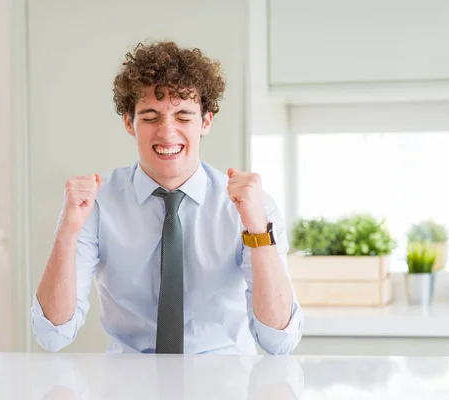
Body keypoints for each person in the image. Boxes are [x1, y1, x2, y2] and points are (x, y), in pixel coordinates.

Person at [31, 41, 303, 355]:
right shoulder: (95, 204)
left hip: (226, 383)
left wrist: (258, 232)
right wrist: (67, 232)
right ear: (128, 122)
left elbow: (279, 340)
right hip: (129, 384)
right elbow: (53, 335)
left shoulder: (254, 207)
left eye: (184, 116)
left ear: (206, 122)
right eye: (150, 117)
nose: (167, 132)